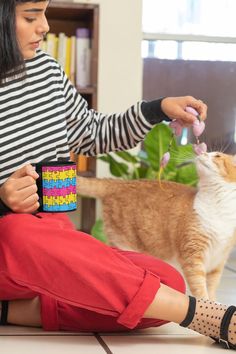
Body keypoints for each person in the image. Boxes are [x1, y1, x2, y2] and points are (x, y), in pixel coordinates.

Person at [0, 0, 235, 350]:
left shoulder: (47, 70)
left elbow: (94, 133)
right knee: (19, 232)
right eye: (31, 16)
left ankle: (11, 312)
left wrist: (158, 109)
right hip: (15, 244)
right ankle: (205, 315)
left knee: (165, 279)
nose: (45, 26)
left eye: (45, 13)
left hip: (58, 241)